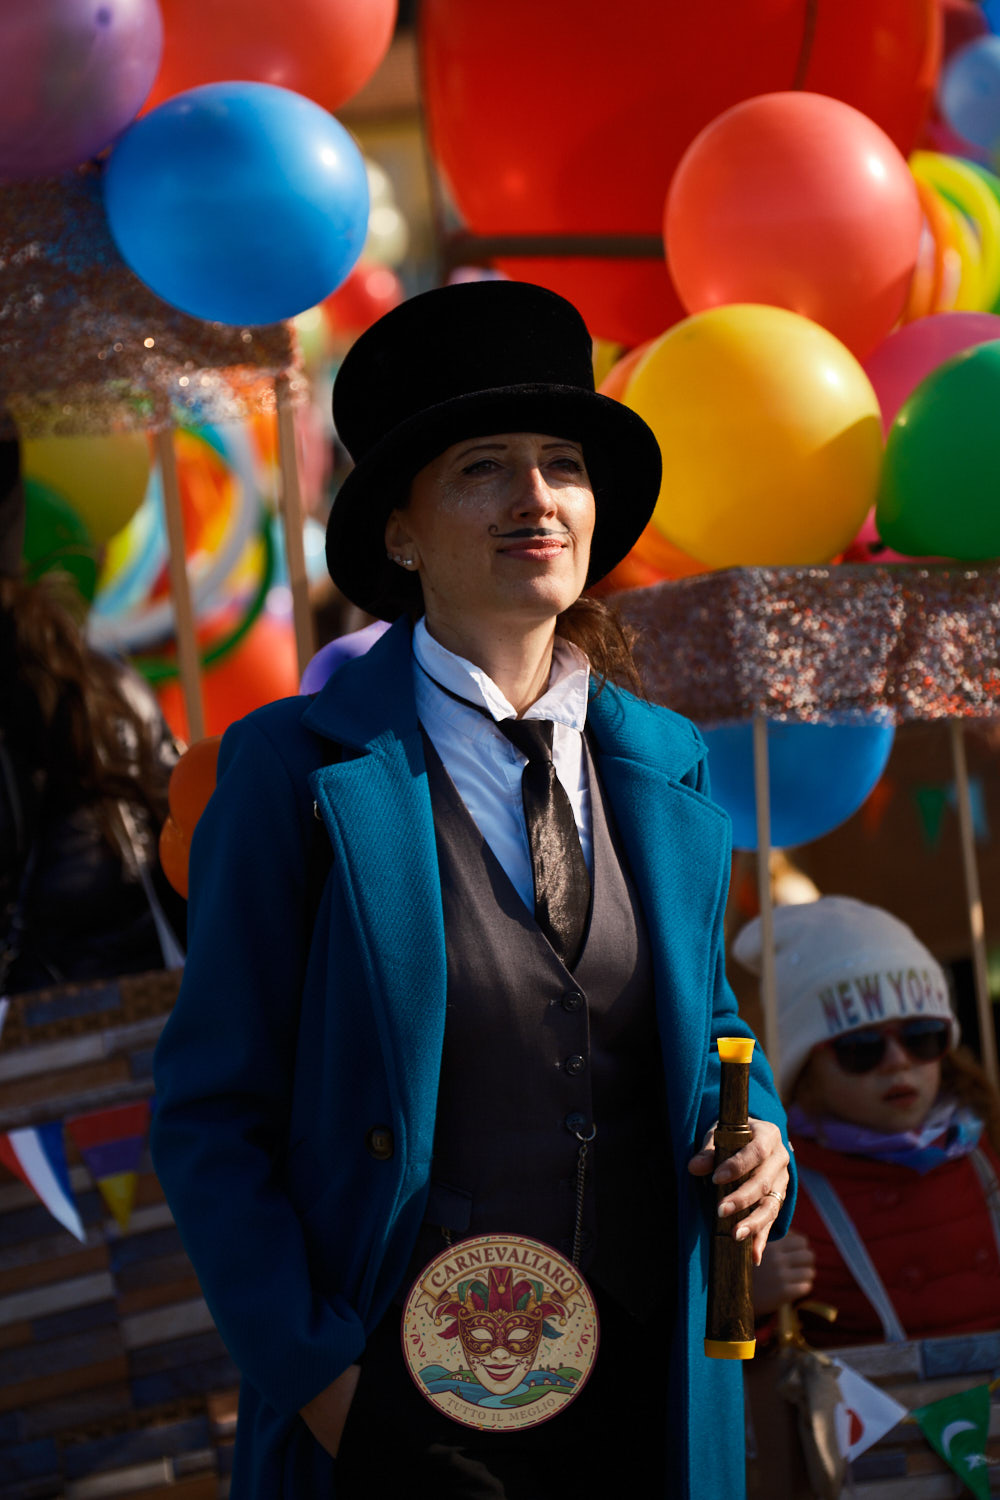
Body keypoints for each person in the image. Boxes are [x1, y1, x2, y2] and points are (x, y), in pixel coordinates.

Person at [150, 279, 793, 1500]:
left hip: (650, 1400)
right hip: (401, 1409)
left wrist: (763, 1134)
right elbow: (208, 1115)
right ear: (400, 533)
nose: (535, 497)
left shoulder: (666, 758)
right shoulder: (289, 771)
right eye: (483, 468)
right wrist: (327, 1387)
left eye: (563, 465)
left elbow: (713, 1027)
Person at [739, 895, 1000, 1347]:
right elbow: (758, 1370)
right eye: (861, 1048)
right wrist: (749, 1300)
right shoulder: (777, 1186)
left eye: (922, 1036)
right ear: (806, 1073)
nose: (898, 1062)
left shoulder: (988, 1137)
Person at [0, 438, 184, 993]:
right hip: (139, 1009)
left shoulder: (105, 685)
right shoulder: (110, 683)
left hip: (52, 1019)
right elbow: (189, 855)